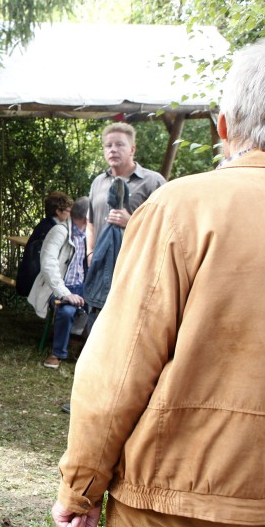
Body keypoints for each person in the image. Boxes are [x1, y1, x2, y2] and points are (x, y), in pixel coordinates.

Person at [51, 32, 265, 527]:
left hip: (168, 489)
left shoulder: (183, 207)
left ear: (224, 125)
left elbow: (119, 366)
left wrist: (81, 486)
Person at [83, 122, 165, 319]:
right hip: (101, 267)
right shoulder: (98, 182)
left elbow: (167, 227)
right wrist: (90, 252)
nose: (113, 149)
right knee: (97, 322)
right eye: (108, 145)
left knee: (129, 321)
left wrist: (131, 222)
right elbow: (90, 223)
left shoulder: (153, 182)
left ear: (132, 149)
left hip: (136, 269)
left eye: (120, 144)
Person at [28, 196, 88, 370]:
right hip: (57, 286)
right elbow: (48, 265)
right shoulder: (59, 232)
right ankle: (57, 353)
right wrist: (65, 293)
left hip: (82, 285)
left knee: (100, 307)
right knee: (67, 310)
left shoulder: (89, 233)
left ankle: (87, 349)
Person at [14, 191, 71, 297]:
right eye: (69, 211)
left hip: (27, 281)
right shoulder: (54, 231)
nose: (71, 214)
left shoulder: (44, 225)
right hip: (35, 285)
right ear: (58, 211)